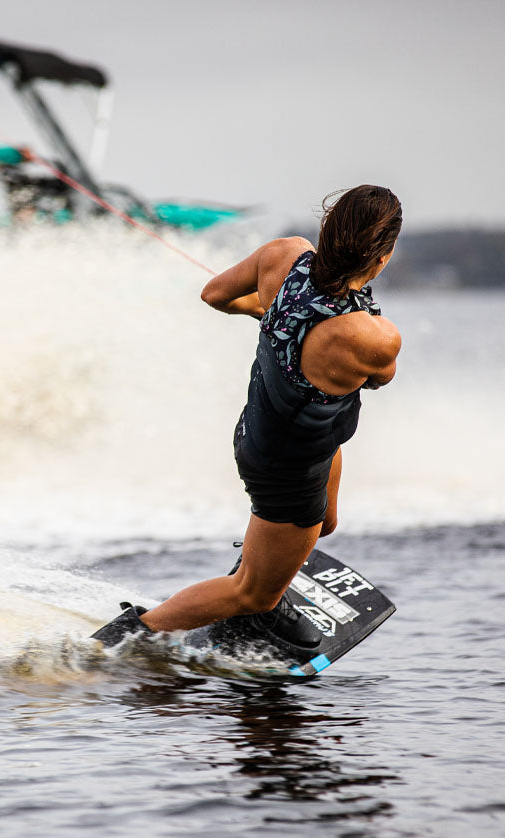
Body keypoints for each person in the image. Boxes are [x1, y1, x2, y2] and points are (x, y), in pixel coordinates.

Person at [92, 184, 402, 645]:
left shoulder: (283, 255)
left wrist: (274, 314)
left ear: (328, 227)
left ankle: (262, 571)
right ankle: (130, 637)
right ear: (381, 259)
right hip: (287, 463)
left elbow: (215, 294)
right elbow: (380, 377)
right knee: (252, 590)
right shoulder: (374, 336)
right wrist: (287, 319)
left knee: (325, 522)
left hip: (275, 435)